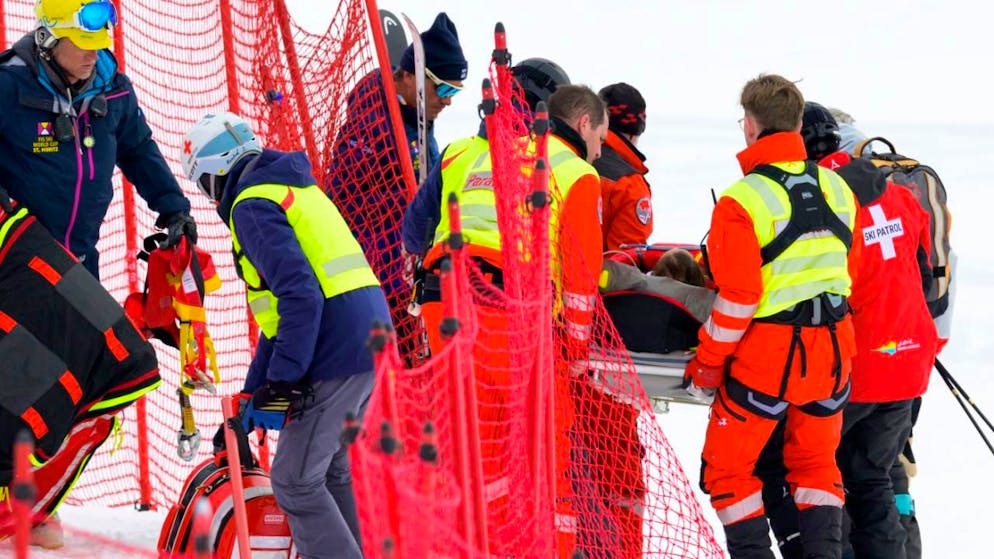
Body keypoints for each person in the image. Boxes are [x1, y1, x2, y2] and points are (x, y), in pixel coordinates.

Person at [181, 112, 391, 559]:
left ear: (216, 172)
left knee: (295, 480)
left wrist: (282, 383)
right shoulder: (294, 188)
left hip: (334, 348)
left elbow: (301, 297)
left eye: (204, 185)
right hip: (368, 340)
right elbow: (281, 323)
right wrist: (252, 399)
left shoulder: (250, 205)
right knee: (330, 471)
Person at [685, 74, 859, 559]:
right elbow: (849, 275)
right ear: (799, 124)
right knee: (817, 469)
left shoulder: (742, 200)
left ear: (749, 124)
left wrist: (707, 364)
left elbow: (738, 299)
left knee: (727, 472)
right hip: (833, 356)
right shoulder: (839, 189)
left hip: (768, 362)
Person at [807, 103, 937, 559]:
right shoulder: (900, 195)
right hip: (910, 360)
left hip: (858, 365)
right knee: (875, 478)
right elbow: (923, 275)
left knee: (825, 479)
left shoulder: (820, 204)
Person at [0, 0, 196, 279]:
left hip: (80, 261)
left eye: (98, 44)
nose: (93, 54)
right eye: (83, 44)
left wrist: (174, 208)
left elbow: (138, 150)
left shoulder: (115, 90)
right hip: (15, 260)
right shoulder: (9, 85)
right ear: (48, 40)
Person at [325, 12, 467, 365]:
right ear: (409, 76)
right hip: (374, 283)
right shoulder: (373, 119)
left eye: (455, 91)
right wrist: (406, 199)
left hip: (406, 279)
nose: (448, 101)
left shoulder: (419, 121)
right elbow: (342, 195)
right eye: (443, 89)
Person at [594, 82, 653, 251]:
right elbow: (625, 257)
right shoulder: (629, 184)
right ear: (638, 128)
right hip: (597, 268)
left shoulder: (572, 158)